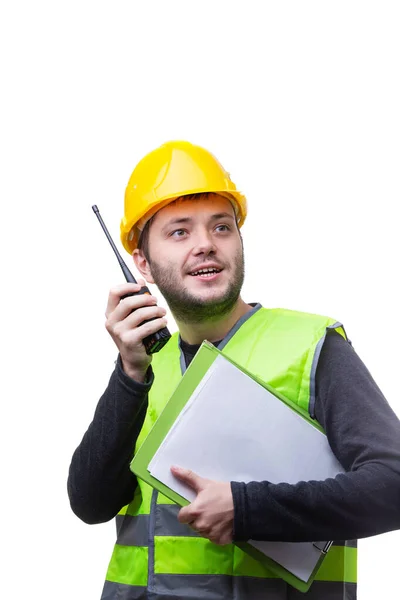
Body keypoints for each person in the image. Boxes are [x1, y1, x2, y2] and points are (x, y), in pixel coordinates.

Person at [68, 140, 400, 600]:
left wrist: (247, 509)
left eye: (221, 227)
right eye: (179, 232)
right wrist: (128, 373)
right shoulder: (145, 367)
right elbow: (89, 503)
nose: (206, 244)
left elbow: (394, 484)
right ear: (141, 264)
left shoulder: (312, 347)